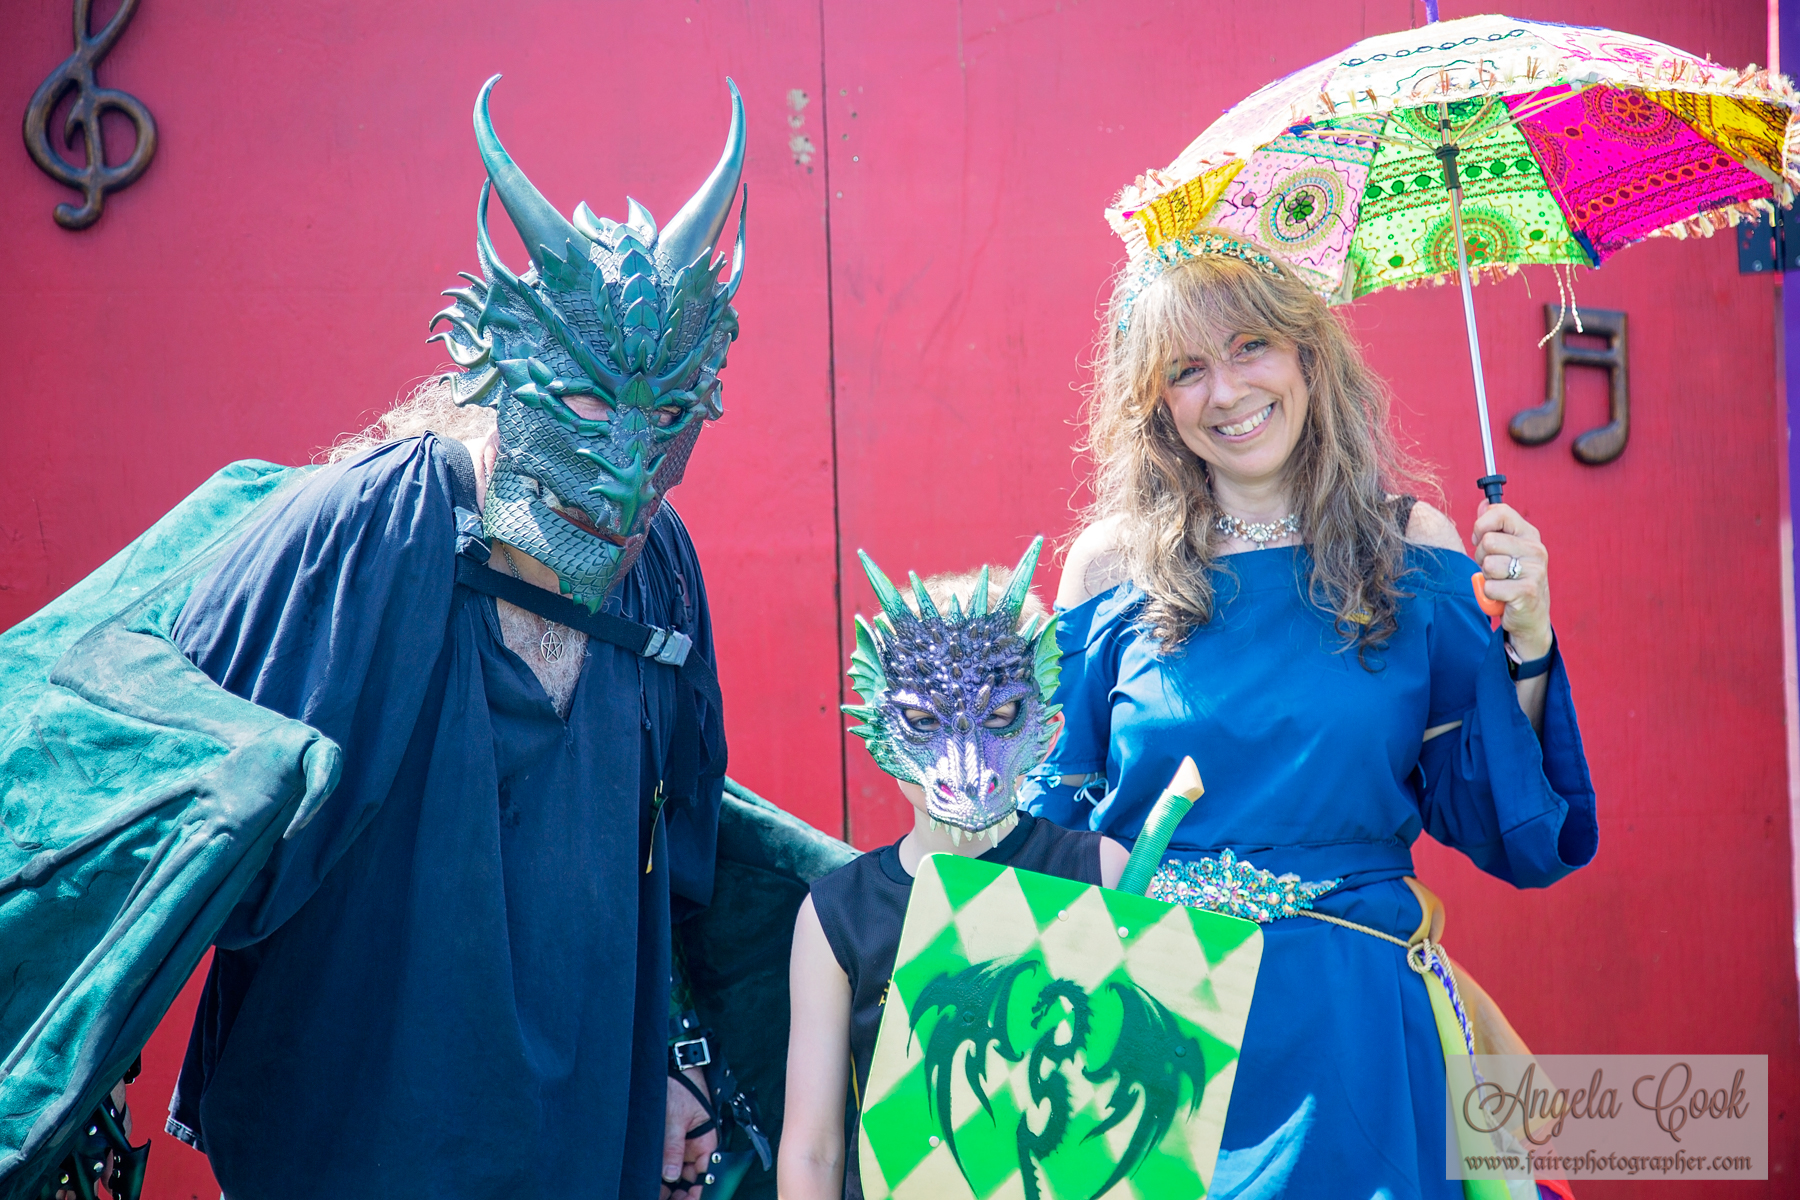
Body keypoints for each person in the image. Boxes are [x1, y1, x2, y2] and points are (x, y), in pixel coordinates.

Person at [152, 75, 748, 1199]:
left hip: (579, 1135)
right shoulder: (370, 527)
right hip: (360, 1129)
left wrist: (678, 1050)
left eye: (665, 418)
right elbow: (175, 810)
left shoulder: (662, 568)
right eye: (584, 408)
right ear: (501, 369)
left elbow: (674, 841)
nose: (625, 472)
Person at [1024, 228, 1596, 1198]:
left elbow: (1509, 825)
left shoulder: (1412, 547)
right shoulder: (1108, 567)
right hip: (1150, 1034)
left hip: (1354, 1030)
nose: (1227, 391)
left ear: (1307, 353)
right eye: (1186, 370)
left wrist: (1529, 636)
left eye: (1250, 346)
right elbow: (1045, 827)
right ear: (1156, 402)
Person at [777, 544, 1130, 1200]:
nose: (964, 758)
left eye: (997, 717)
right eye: (923, 720)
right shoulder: (837, 915)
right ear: (878, 723)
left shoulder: (1099, 871)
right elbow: (812, 1146)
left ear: (1049, 728)